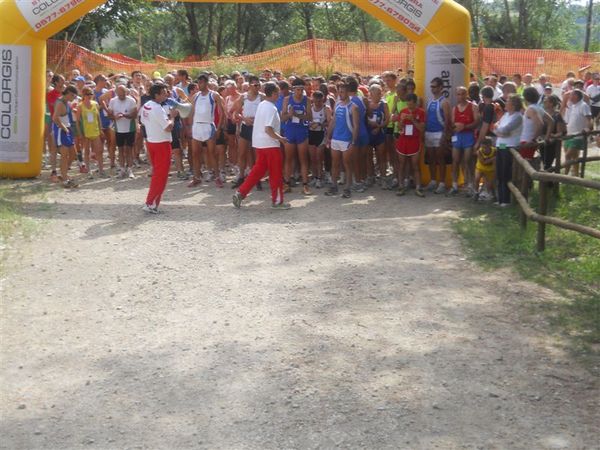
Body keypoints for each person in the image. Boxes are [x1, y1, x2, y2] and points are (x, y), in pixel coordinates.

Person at [232, 82, 290, 210]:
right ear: (274, 93)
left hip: (260, 144)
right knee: (276, 173)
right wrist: (281, 139)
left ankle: (240, 193)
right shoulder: (271, 107)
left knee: (257, 171)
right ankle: (277, 201)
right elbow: (268, 129)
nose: (279, 94)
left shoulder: (262, 105)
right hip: (270, 145)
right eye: (278, 92)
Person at [140, 83, 175, 214]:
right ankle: (150, 203)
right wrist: (172, 117)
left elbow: (143, 121)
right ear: (157, 94)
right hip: (161, 144)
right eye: (164, 92)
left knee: (157, 174)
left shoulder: (146, 105)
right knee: (160, 176)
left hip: (151, 142)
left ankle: (152, 203)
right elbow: (168, 127)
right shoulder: (157, 108)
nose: (166, 94)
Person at [188, 74, 225, 188]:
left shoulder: (214, 95)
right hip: (197, 127)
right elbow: (191, 112)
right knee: (195, 153)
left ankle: (217, 177)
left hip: (208, 126)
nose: (199, 85)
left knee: (212, 153)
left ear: (207, 83)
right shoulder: (195, 96)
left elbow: (222, 113)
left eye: (202, 82)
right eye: (198, 83)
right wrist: (190, 127)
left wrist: (219, 128)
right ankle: (197, 177)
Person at [325, 83, 359, 198]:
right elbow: (333, 121)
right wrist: (328, 136)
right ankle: (334, 186)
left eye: (343, 92)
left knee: (347, 165)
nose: (340, 94)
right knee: (335, 164)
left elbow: (356, 126)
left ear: (348, 92)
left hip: (347, 140)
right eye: (339, 91)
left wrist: (353, 142)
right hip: (336, 139)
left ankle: (347, 188)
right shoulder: (338, 105)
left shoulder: (353, 107)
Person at [281, 78, 312, 195]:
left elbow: (310, 118)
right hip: (290, 131)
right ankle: (287, 184)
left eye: (301, 90)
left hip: (301, 132)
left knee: (303, 159)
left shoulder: (307, 100)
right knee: (288, 159)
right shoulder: (287, 100)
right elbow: (282, 118)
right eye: (298, 90)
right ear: (293, 90)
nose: (300, 92)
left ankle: (305, 185)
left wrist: (297, 115)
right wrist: (290, 114)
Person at [449, 86, 480, 196]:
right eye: (458, 94)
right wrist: (455, 127)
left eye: (463, 94)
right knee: (455, 161)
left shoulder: (473, 106)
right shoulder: (454, 109)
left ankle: (470, 185)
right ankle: (454, 185)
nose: (460, 96)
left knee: (468, 161)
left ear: (466, 95)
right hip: (458, 137)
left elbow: (477, 122)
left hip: (468, 136)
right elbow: (453, 125)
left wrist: (465, 126)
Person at [494, 94, 523, 207]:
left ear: (514, 105)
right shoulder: (505, 115)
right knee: (499, 173)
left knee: (506, 173)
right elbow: (496, 127)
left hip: (509, 147)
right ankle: (501, 199)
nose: (505, 103)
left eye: (508, 102)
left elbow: (505, 129)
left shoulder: (517, 116)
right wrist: (500, 131)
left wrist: (500, 131)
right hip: (501, 145)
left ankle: (506, 200)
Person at [394, 93, 425, 197]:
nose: (409, 106)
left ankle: (418, 187)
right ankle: (401, 186)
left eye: (411, 104)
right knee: (401, 164)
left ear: (415, 103)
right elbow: (399, 128)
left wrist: (413, 119)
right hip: (403, 140)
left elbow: (422, 128)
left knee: (415, 165)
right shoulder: (403, 111)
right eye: (408, 104)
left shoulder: (421, 112)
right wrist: (402, 120)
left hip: (415, 140)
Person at [424, 77, 452, 194]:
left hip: (439, 133)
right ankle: (433, 181)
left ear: (441, 87)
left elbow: (447, 121)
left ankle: (442, 183)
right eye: (431, 86)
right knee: (431, 158)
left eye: (434, 86)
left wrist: (445, 136)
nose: (432, 89)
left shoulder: (444, 102)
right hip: (429, 132)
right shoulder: (429, 101)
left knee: (440, 159)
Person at [75, 87, 107, 177]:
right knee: (86, 152)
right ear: (83, 95)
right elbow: (77, 121)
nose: (89, 96)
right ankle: (88, 171)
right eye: (87, 94)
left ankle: (101, 170)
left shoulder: (95, 104)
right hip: (86, 132)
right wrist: (80, 133)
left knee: (99, 151)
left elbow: (98, 117)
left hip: (95, 131)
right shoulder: (80, 106)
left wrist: (101, 129)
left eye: (91, 94)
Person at [108, 84, 138, 178]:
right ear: (116, 93)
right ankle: (122, 169)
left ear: (126, 92)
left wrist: (125, 115)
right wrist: (115, 117)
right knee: (120, 150)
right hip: (118, 129)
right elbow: (109, 115)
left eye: (123, 94)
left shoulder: (131, 100)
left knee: (129, 149)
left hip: (130, 128)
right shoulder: (113, 101)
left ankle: (130, 169)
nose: (122, 96)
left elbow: (134, 114)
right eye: (120, 94)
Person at [52, 85, 79, 188]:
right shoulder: (60, 103)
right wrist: (64, 128)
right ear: (67, 93)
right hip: (61, 130)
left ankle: (64, 173)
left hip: (66, 129)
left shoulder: (66, 102)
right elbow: (55, 118)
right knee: (64, 155)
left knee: (73, 154)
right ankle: (64, 178)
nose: (73, 98)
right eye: (72, 95)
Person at [561, 89, 592, 176]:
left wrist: (587, 128)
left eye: (571, 95)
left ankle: (564, 176)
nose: (569, 97)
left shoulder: (583, 105)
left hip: (577, 136)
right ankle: (576, 175)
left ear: (576, 96)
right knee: (574, 157)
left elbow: (589, 119)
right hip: (569, 135)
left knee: (567, 156)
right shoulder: (572, 106)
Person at [308, 90, 331, 188]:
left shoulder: (327, 109)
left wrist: (320, 124)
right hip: (311, 134)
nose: (317, 103)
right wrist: (310, 124)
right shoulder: (309, 108)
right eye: (315, 101)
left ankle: (319, 178)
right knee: (312, 158)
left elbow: (330, 122)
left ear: (323, 100)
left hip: (321, 134)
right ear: (312, 100)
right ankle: (314, 176)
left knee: (319, 158)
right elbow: (306, 120)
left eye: (319, 101)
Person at [473, 137, 496, 201]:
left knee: (490, 184)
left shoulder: (494, 150)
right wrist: (493, 158)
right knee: (477, 178)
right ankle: (476, 192)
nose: (484, 149)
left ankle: (492, 194)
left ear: (490, 146)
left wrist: (505, 146)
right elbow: (483, 162)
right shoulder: (479, 152)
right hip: (480, 167)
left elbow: (502, 147)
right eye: (483, 147)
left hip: (490, 169)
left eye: (486, 148)